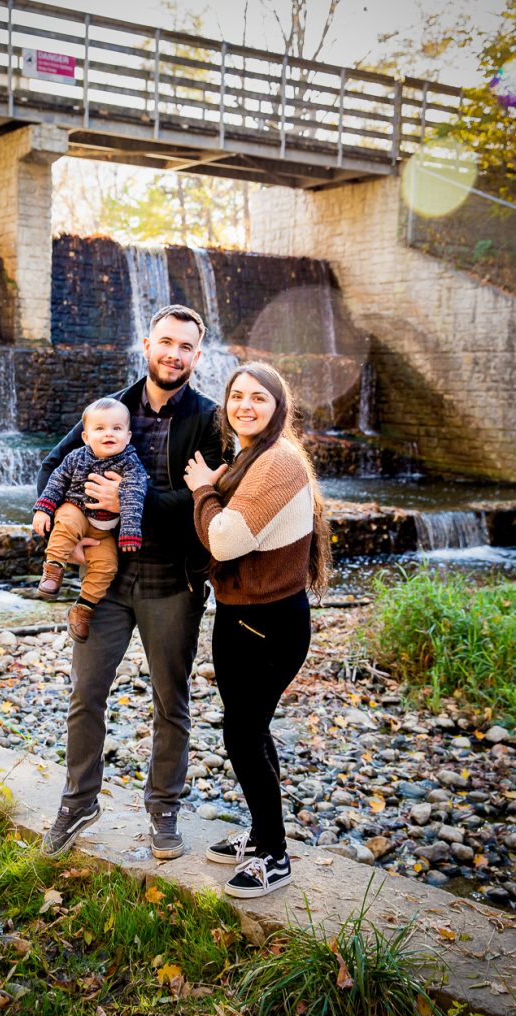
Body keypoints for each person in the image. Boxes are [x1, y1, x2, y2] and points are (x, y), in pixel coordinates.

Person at [37, 305, 225, 860]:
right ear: (147, 345)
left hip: (173, 584)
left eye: (185, 346)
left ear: (197, 355)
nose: (174, 354)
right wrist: (54, 521)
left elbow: (206, 499)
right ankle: (78, 802)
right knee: (85, 693)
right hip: (108, 584)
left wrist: (128, 502)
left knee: (171, 701)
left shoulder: (210, 421)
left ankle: (163, 808)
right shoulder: (111, 409)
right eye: (165, 342)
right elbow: (54, 463)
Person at [184, 362, 331, 898]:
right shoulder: (253, 456)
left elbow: (223, 540)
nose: (245, 405)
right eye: (237, 396)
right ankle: (264, 833)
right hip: (245, 616)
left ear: (278, 408)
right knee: (251, 727)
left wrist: (203, 489)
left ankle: (275, 855)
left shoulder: (277, 463)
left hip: (266, 622)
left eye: (258, 398)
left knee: (242, 733)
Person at [32, 397, 148, 644]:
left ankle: (82, 609)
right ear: (86, 437)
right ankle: (53, 569)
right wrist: (43, 509)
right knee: (68, 522)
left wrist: (129, 531)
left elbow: (134, 497)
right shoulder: (76, 457)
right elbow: (56, 481)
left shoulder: (131, 464)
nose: (109, 434)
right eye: (100, 429)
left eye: (117, 429)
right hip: (75, 510)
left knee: (107, 566)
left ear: (128, 436)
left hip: (104, 532)